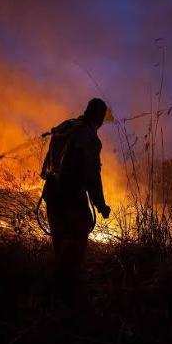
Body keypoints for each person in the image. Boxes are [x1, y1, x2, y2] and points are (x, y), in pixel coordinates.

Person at [40, 98, 111, 305]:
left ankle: (54, 293)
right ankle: (68, 295)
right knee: (76, 243)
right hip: (71, 196)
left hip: (52, 192)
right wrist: (100, 205)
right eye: (102, 118)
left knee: (59, 240)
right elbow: (92, 176)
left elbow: (49, 161)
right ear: (98, 117)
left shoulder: (65, 126)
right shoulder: (90, 138)